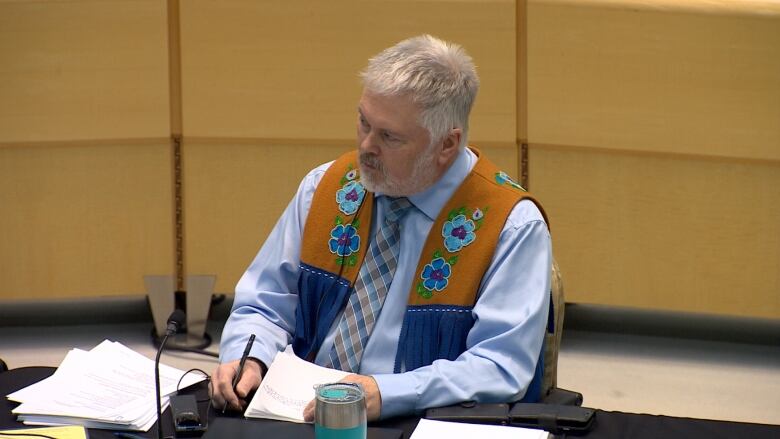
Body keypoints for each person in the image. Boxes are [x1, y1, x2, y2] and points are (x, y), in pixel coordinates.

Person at [211, 34, 552, 422]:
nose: (366, 147)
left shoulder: (511, 226)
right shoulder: (326, 187)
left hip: (419, 421)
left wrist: (386, 393)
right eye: (363, 122)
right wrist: (248, 355)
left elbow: (500, 365)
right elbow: (266, 301)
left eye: (389, 136)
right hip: (299, 414)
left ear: (447, 144)